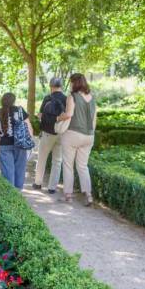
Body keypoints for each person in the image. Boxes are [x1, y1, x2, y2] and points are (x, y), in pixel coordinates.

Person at [58, 73, 97, 205]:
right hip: (89, 136)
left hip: (73, 134)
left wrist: (59, 118)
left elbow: (69, 114)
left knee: (68, 165)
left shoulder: (72, 97)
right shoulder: (92, 98)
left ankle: (68, 195)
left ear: (74, 83)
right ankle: (89, 195)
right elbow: (94, 121)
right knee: (82, 166)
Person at [0, 92, 34, 190]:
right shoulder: (20, 110)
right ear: (14, 101)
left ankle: (10, 194)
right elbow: (29, 127)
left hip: (4, 145)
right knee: (20, 169)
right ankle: (18, 193)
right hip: (20, 144)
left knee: (7, 171)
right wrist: (29, 141)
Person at [33, 77, 66, 194]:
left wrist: (39, 116)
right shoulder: (66, 99)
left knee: (42, 158)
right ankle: (52, 187)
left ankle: (38, 183)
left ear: (51, 86)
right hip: (62, 133)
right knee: (57, 161)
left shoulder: (47, 98)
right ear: (61, 86)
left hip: (47, 133)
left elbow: (41, 115)